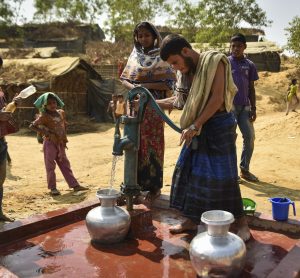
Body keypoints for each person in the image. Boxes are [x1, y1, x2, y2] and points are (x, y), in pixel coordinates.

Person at [157, 34, 250, 241]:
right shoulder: (185, 73)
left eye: (175, 62)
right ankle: (191, 220)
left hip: (218, 126)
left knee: (224, 178)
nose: (175, 67)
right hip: (196, 128)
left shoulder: (214, 61)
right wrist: (149, 101)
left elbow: (217, 99)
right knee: (189, 173)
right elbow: (179, 101)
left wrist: (194, 125)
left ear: (186, 51)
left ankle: (242, 224)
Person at [120, 21, 176, 203]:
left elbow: (168, 82)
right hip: (135, 104)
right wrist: (135, 88)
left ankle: (153, 187)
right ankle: (133, 184)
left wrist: (144, 86)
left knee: (152, 143)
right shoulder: (135, 55)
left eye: (147, 35)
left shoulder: (161, 56)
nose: (143, 38)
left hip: (153, 105)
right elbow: (124, 79)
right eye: (140, 35)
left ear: (154, 36)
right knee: (134, 142)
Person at [30, 93, 88, 196]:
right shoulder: (44, 116)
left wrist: (63, 138)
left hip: (60, 144)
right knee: (50, 166)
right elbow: (32, 126)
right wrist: (47, 133)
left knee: (65, 164)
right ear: (44, 105)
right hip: (49, 144)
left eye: (54, 102)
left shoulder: (61, 113)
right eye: (49, 103)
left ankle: (74, 185)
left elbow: (64, 125)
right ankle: (53, 188)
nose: (52, 105)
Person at [229, 33, 259, 182]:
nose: (235, 49)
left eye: (239, 46)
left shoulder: (250, 65)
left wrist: (254, 108)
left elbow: (251, 89)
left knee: (249, 137)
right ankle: (231, 173)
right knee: (230, 139)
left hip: (245, 107)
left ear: (244, 47)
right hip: (230, 107)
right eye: (233, 46)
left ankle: (244, 170)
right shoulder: (226, 63)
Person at [0, 56, 21, 221]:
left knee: (0, 179)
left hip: (1, 140)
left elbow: (4, 112)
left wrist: (14, 103)